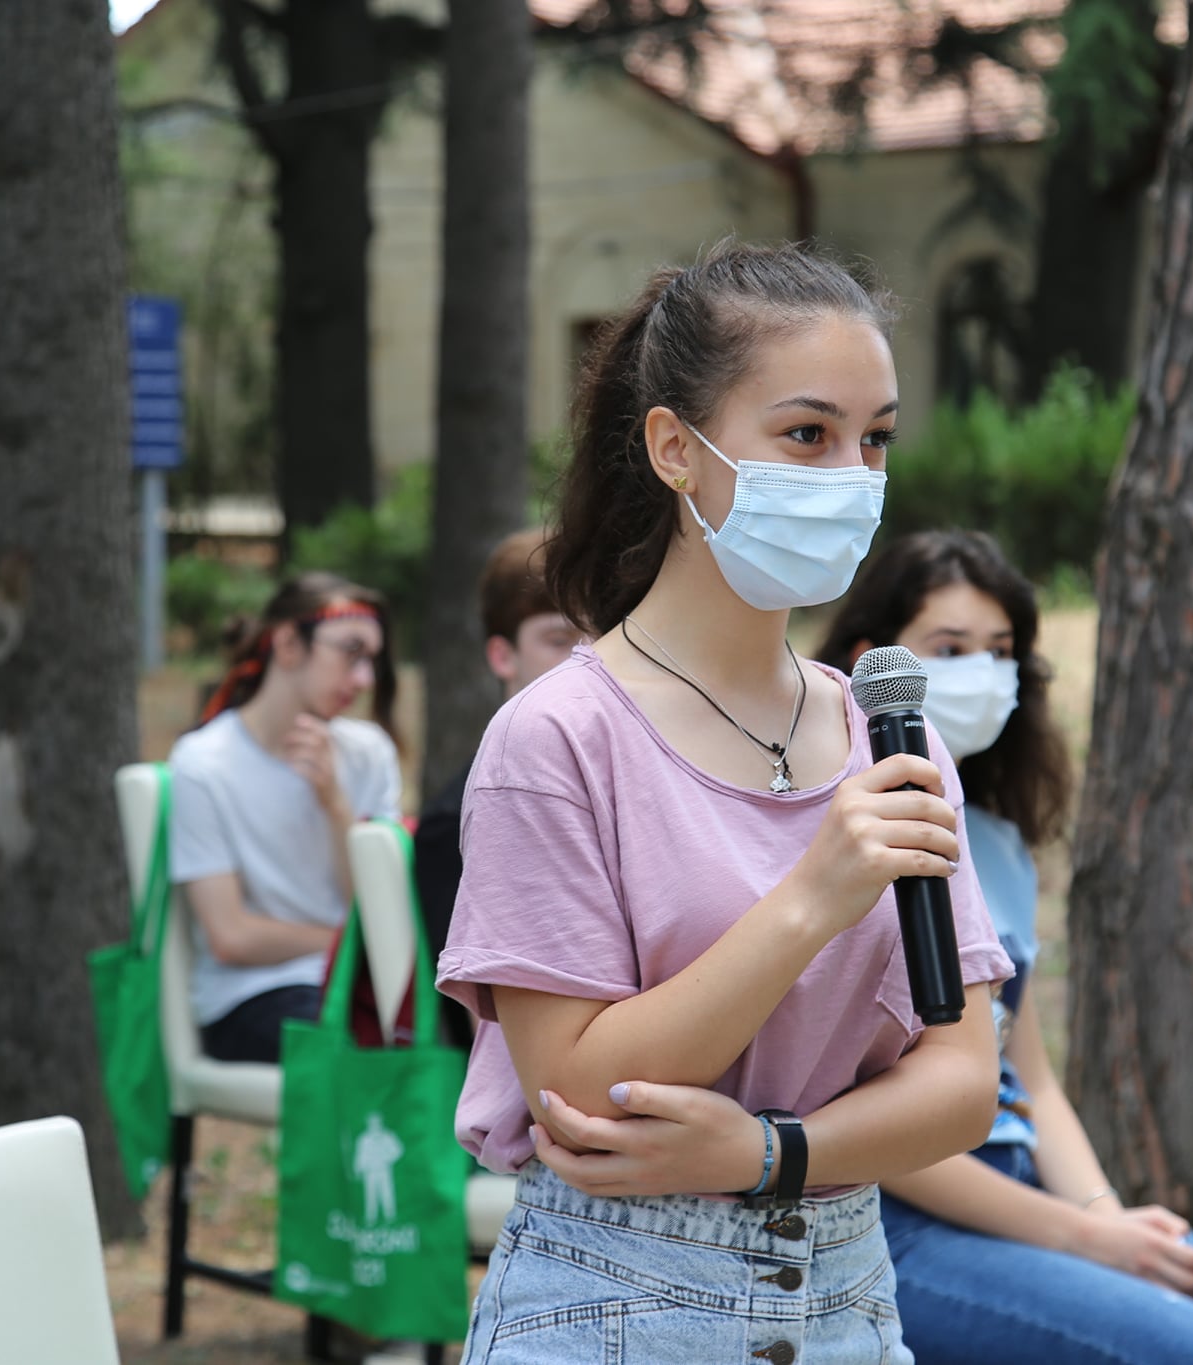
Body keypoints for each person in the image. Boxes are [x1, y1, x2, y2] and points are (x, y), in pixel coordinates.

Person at [435, 241, 1013, 1364]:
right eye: (807, 434)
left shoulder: (889, 733)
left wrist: (764, 1153)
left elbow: (959, 1084)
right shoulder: (559, 738)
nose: (851, 475)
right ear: (674, 450)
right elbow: (578, 1095)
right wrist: (810, 900)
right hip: (614, 1303)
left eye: (876, 438)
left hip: (846, 1301)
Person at [816, 529, 1193, 1365]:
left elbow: (1031, 1077)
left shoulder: (998, 844)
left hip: (1028, 1190)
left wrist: (1106, 1216)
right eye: (950, 648)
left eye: (1001, 650)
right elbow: (855, 1121)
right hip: (907, 1221)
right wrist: (1081, 1237)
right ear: (871, 661)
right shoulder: (839, 844)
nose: (981, 673)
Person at [169, 571, 402, 1064]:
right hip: (251, 996)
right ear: (288, 644)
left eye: (372, 660)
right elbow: (230, 937)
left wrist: (335, 805)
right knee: (362, 1054)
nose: (364, 679)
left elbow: (377, 904)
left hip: (354, 983)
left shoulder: (368, 753)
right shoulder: (202, 764)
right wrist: (346, 944)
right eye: (351, 652)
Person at [414, 529, 587, 1048]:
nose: (586, 657)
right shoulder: (457, 818)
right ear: (502, 656)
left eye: (600, 636)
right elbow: (494, 1032)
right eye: (559, 639)